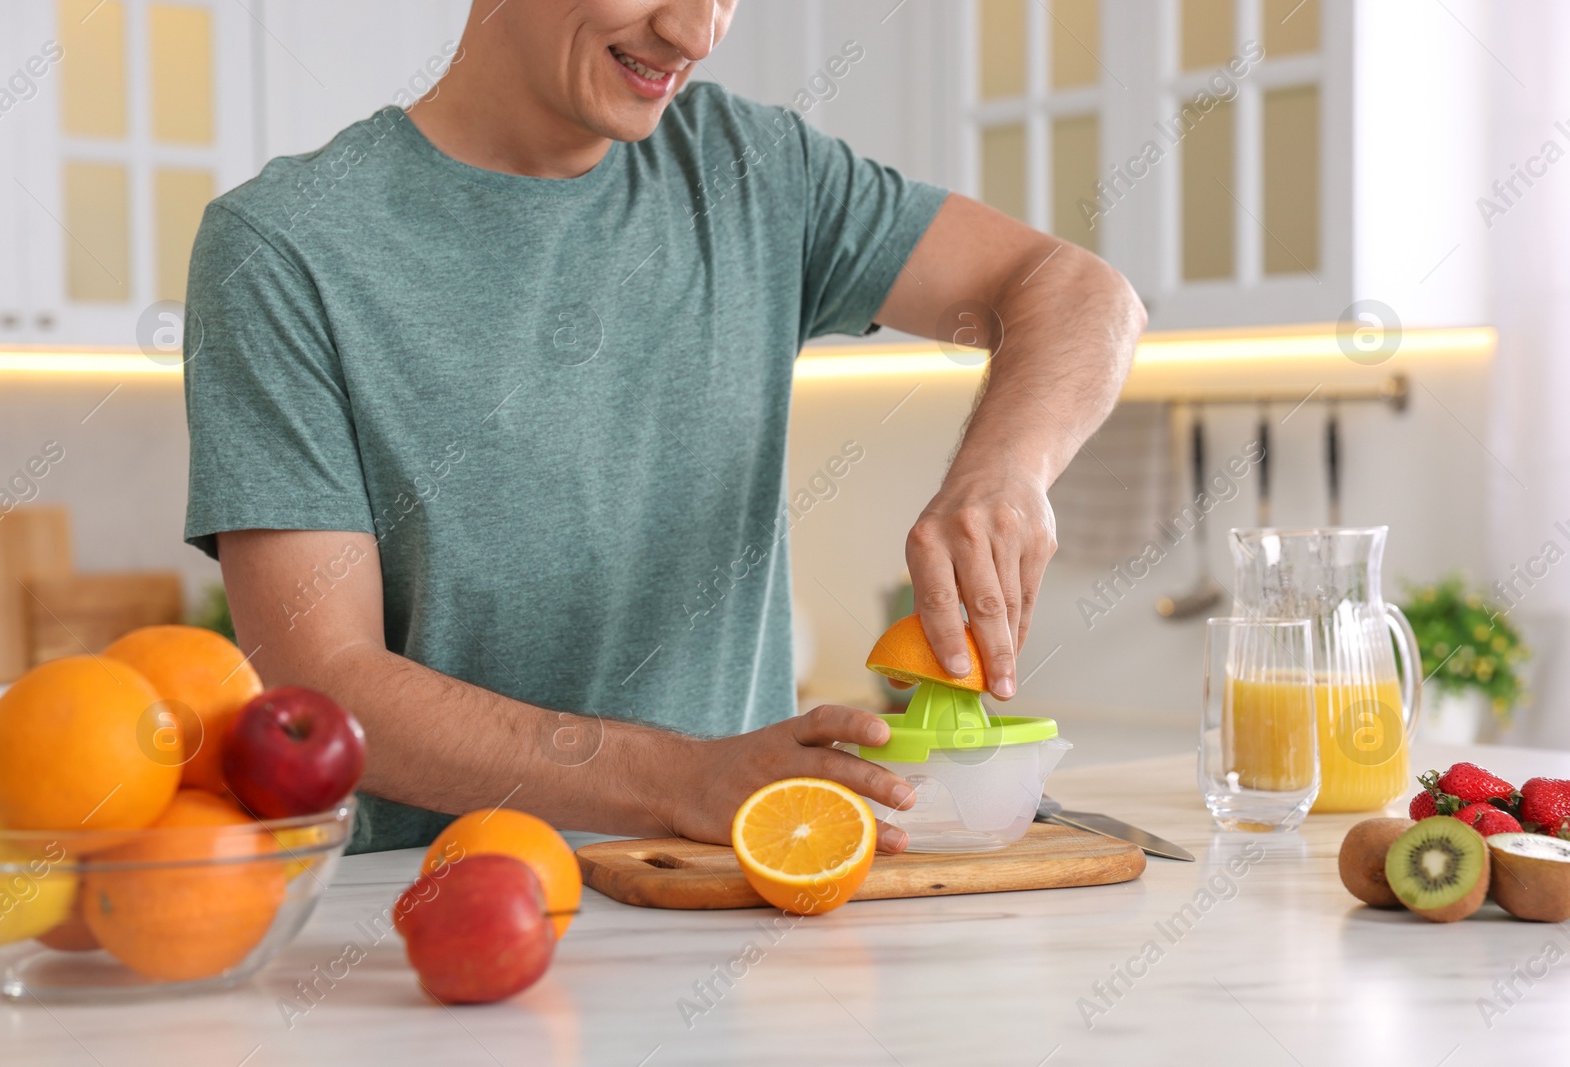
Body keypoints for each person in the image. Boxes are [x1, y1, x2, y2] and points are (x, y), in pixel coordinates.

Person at [182, 0, 1144, 855]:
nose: (695, 32)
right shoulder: (285, 248)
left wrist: (1006, 469)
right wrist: (680, 779)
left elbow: (1080, 292)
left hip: (738, 896)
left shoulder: (756, 171)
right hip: (429, 922)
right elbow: (326, 682)